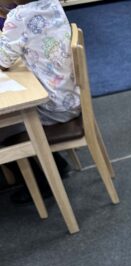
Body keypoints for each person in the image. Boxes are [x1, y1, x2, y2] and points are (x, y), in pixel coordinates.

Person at [0, 0, 79, 203]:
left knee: (4, 128)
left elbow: (3, 61)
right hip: (69, 98)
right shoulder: (52, 3)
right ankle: (56, 163)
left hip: (52, 107)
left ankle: (41, 182)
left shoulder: (18, 17)